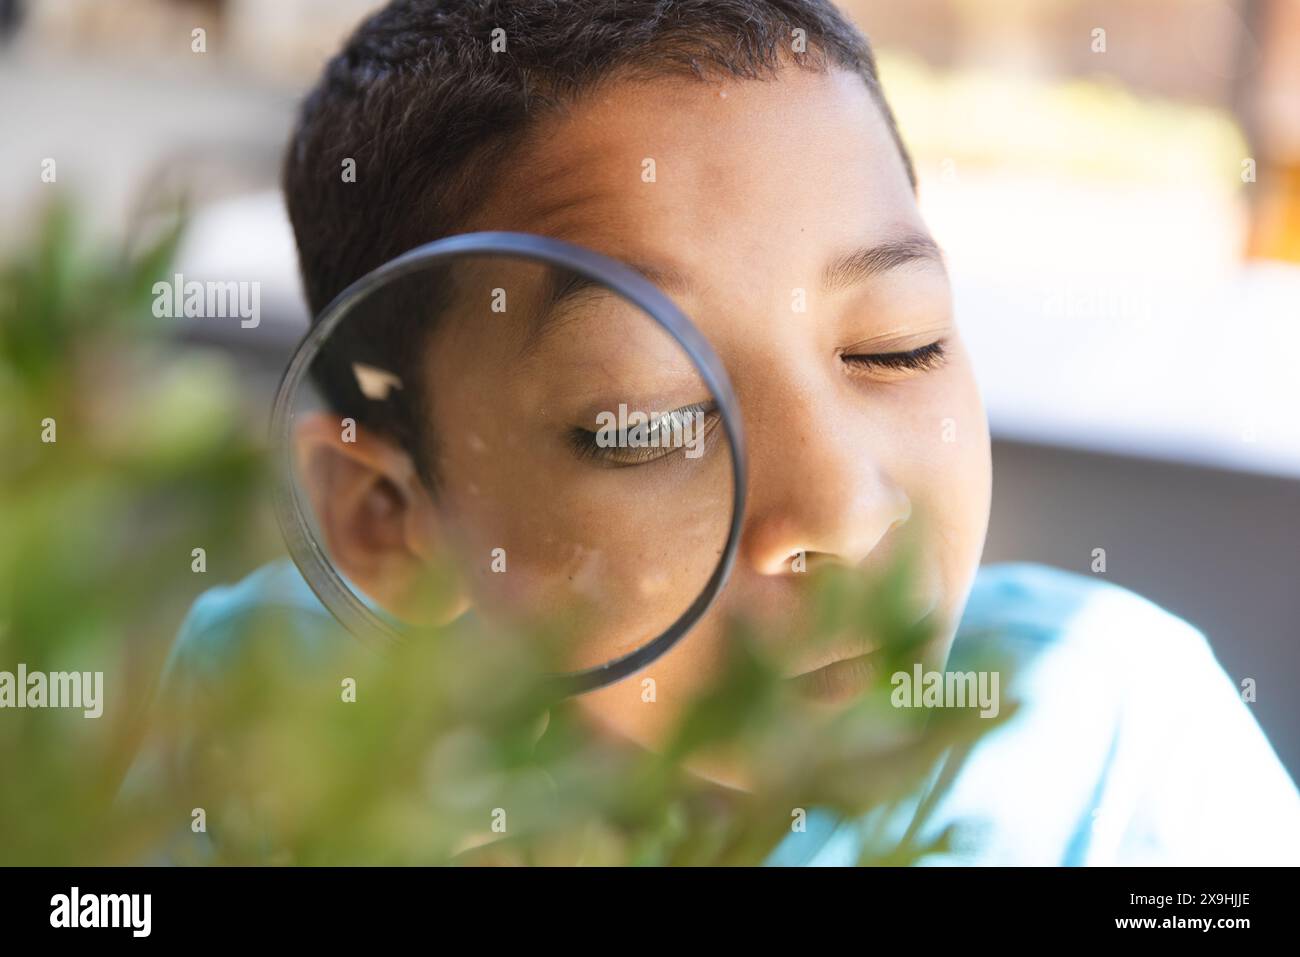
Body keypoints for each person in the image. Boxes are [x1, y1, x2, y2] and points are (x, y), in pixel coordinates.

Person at [166, 0, 1300, 865]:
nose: (849, 514)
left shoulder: (1115, 743)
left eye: (896, 344)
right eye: (647, 419)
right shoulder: (268, 710)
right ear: (388, 519)